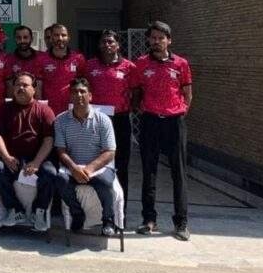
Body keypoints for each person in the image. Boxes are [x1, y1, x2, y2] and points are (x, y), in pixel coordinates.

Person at [129, 20, 193, 241]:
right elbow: (136, 91)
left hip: (174, 122)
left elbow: (187, 92)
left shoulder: (181, 64)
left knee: (179, 173)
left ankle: (181, 222)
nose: (156, 42)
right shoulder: (141, 63)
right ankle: (149, 219)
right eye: (153, 38)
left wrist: (181, 111)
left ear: (169, 40)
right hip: (150, 121)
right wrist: (141, 109)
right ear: (149, 40)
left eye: (161, 38)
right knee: (149, 172)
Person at [0, 71, 58, 232]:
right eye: (18, 85)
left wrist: (36, 162)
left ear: (34, 89)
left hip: (38, 159)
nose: (21, 88)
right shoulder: (4, 109)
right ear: (13, 88)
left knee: (50, 173)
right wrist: (6, 157)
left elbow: (49, 140)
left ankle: (39, 211)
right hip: (12, 159)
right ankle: (15, 210)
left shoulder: (44, 110)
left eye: (25, 85)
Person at [54, 78, 118, 237]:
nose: (79, 95)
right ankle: (77, 214)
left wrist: (89, 169)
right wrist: (74, 168)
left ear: (90, 96)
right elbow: (60, 150)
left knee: (105, 183)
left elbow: (110, 152)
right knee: (60, 181)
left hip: (98, 168)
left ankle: (108, 220)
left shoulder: (103, 120)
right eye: (75, 92)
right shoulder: (61, 120)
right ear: (70, 96)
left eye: (83, 92)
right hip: (73, 167)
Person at [85, 29, 136, 207]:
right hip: (96, 121)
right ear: (99, 45)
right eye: (104, 42)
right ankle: (98, 207)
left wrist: (129, 107)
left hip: (120, 120)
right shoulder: (90, 66)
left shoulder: (129, 67)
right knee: (96, 162)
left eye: (111, 42)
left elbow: (137, 92)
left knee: (121, 164)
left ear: (118, 45)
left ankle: (121, 208)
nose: (107, 45)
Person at [35, 23, 86, 115]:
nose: (60, 38)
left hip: (71, 109)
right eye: (56, 35)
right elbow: (38, 86)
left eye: (63, 35)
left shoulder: (78, 58)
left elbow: (83, 85)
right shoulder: (41, 59)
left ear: (68, 38)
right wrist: (40, 107)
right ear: (51, 38)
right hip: (49, 109)